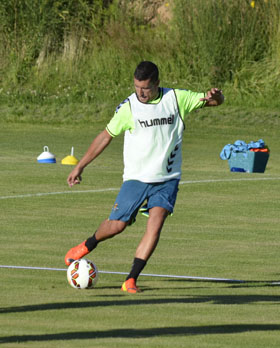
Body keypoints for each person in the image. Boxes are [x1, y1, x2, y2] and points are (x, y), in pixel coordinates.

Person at [64, 61, 224, 293]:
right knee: (117, 226)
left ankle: (130, 279)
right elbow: (105, 136)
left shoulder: (176, 98)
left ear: (157, 84)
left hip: (168, 178)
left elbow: (214, 101)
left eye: (145, 88)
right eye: (137, 87)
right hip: (136, 178)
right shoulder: (129, 107)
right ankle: (88, 244)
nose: (140, 92)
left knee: (155, 224)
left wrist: (216, 96)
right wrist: (80, 166)